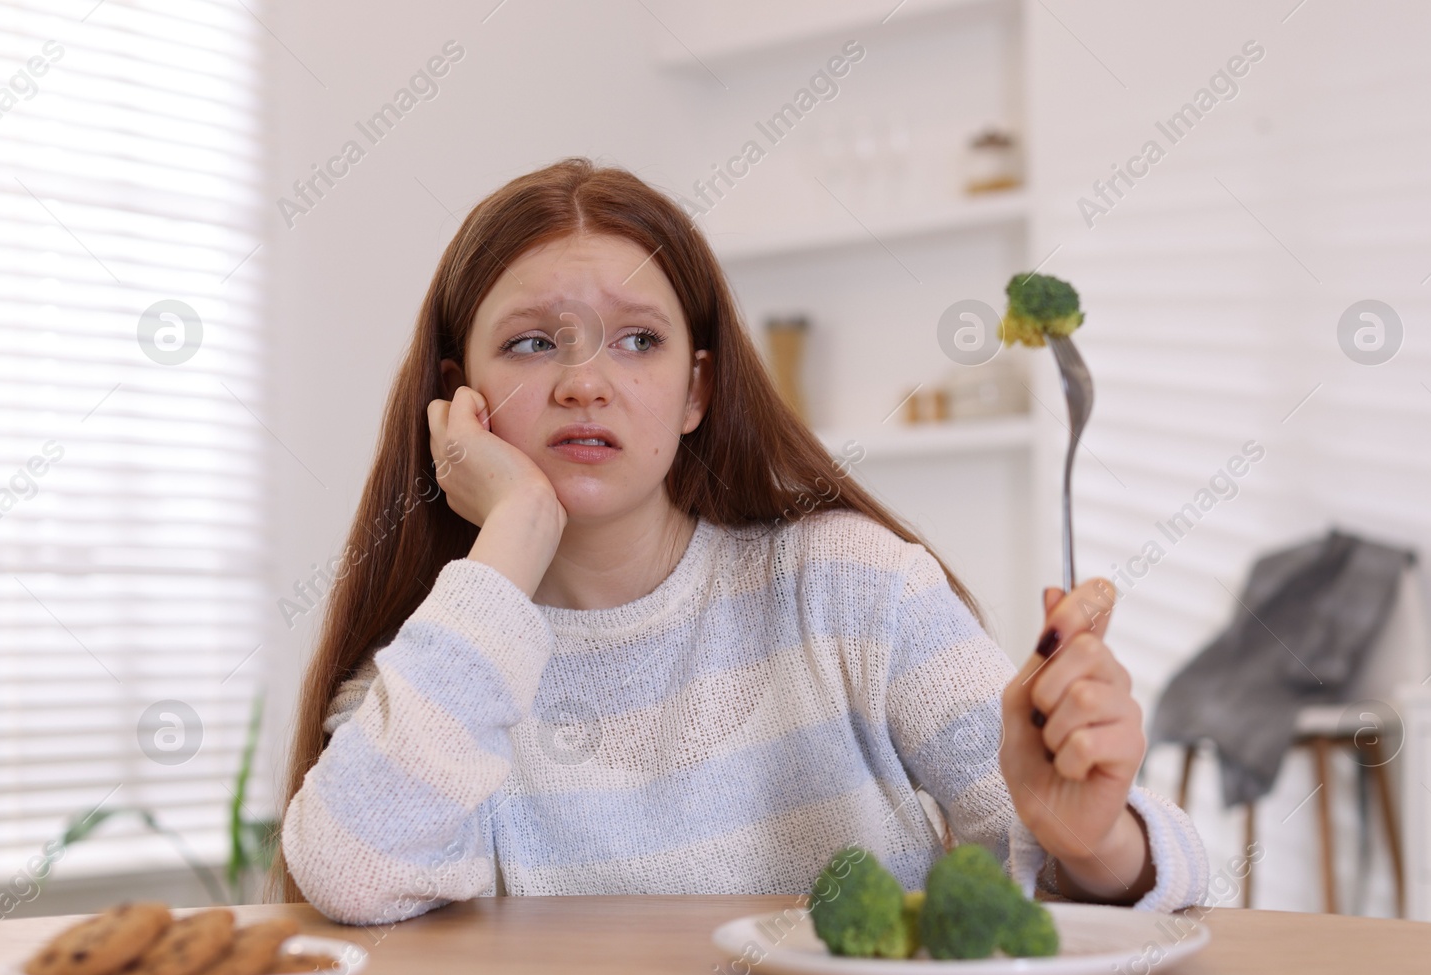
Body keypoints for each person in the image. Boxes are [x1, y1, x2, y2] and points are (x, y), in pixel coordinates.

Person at [276, 158, 1209, 925]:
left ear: (698, 390)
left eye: (638, 340)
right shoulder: (451, 664)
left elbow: (1110, 877)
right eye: (531, 344)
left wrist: (1096, 841)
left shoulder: (850, 586)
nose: (584, 383)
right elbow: (352, 871)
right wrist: (515, 531)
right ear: (457, 399)